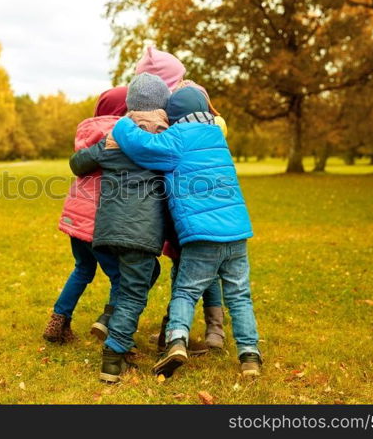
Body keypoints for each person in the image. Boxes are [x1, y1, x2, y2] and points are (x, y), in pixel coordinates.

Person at [111, 86, 262, 377]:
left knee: (185, 290)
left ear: (174, 115)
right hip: (237, 233)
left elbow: (141, 145)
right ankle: (250, 355)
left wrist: (122, 124)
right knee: (240, 295)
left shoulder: (175, 139)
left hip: (203, 234)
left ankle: (176, 340)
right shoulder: (217, 137)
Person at [69, 73, 170, 383]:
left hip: (108, 230)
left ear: (130, 105)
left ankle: (111, 317)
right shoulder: (164, 140)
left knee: (146, 274)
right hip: (139, 233)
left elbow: (77, 163)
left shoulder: (115, 137)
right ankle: (114, 355)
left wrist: (98, 146)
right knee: (134, 294)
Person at [135, 46, 227, 353]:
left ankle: (177, 333)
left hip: (175, 201)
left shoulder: (164, 114)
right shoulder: (192, 104)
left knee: (188, 266)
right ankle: (202, 330)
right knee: (197, 263)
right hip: (202, 201)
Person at [42, 87, 127, 344]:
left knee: (82, 268)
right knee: (120, 276)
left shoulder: (87, 133)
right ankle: (109, 323)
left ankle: (58, 320)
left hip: (75, 218)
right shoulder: (122, 134)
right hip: (98, 222)